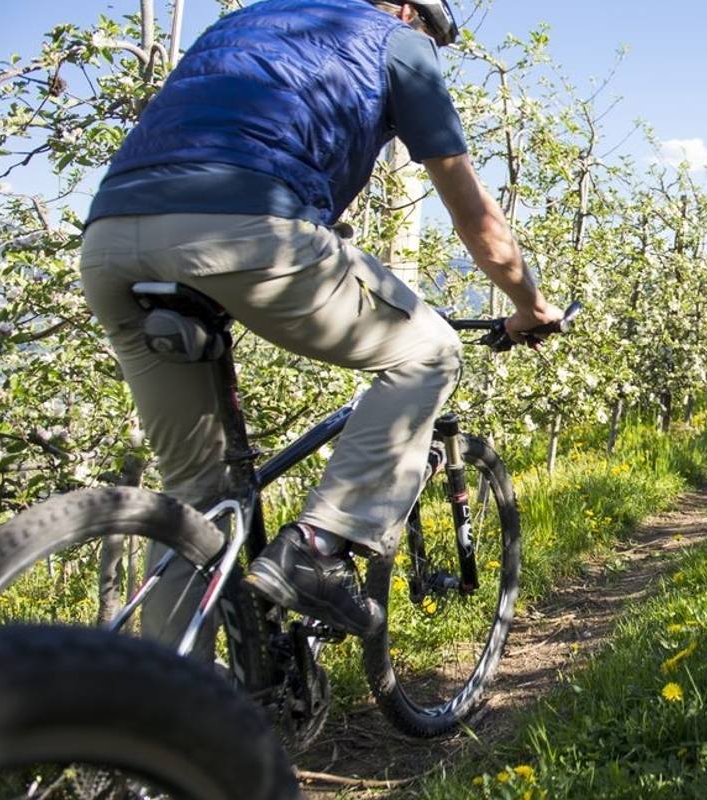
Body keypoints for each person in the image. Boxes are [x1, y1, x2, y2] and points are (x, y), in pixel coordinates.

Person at [78, 0, 562, 640]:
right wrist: (530, 306)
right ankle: (317, 550)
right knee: (430, 352)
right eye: (431, 32)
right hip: (244, 232)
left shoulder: (242, 24)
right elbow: (476, 218)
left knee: (194, 494)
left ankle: (168, 718)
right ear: (406, 9)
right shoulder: (397, 43)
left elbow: (237, 136)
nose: (428, 44)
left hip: (108, 240)